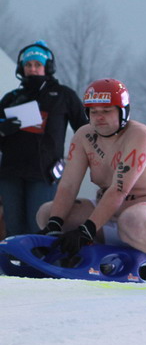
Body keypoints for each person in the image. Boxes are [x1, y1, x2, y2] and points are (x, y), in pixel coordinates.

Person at [37, 79, 146, 258]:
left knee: (132, 221)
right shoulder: (84, 135)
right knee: (46, 213)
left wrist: (87, 229)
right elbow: (68, 186)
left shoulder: (139, 135)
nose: (99, 117)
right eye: (93, 111)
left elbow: (119, 190)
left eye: (106, 111)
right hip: (111, 217)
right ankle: (75, 256)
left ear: (123, 112)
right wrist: (54, 224)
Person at [0, 40, 88, 237]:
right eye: (28, 65)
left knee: (39, 225)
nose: (33, 69)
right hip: (10, 173)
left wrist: (80, 159)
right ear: (22, 68)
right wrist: (2, 129)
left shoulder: (64, 95)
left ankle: (42, 267)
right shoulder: (11, 98)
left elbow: (85, 129)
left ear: (47, 68)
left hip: (43, 173)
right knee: (13, 227)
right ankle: (15, 267)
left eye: (38, 65)